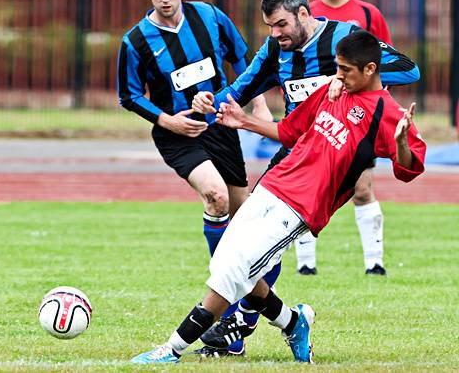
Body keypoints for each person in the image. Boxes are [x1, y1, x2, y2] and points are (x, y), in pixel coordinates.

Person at [130, 29, 426, 364]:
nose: (337, 75)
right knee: (227, 262)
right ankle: (292, 322)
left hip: (301, 208)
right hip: (274, 183)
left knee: (232, 272)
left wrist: (400, 141)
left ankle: (171, 350)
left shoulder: (387, 113)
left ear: (370, 70)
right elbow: (289, 131)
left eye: (345, 70)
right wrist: (243, 121)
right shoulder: (332, 91)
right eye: (338, 68)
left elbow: (409, 169)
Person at [184, 0, 419, 352]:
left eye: (280, 25)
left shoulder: (344, 38)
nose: (275, 34)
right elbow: (240, 89)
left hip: (329, 158)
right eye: (269, 27)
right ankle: (261, 322)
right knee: (250, 235)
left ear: (303, 14)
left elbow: (408, 70)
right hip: (293, 148)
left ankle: (237, 324)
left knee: (267, 245)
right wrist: (207, 102)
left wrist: (341, 79)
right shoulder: (274, 51)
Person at [116, 0, 278, 357]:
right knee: (216, 196)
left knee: (250, 218)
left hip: (221, 124)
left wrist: (257, 109)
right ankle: (226, 292)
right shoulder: (135, 41)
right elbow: (129, 95)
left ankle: (248, 316)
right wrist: (166, 119)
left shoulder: (210, 18)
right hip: (178, 134)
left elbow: (244, 62)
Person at [291, 0, 396, 276]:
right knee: (307, 187)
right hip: (314, 115)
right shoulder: (305, 13)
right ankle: (306, 266)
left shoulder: (368, 14)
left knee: (362, 188)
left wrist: (378, 98)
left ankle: (374, 264)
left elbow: (387, 61)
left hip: (358, 119)